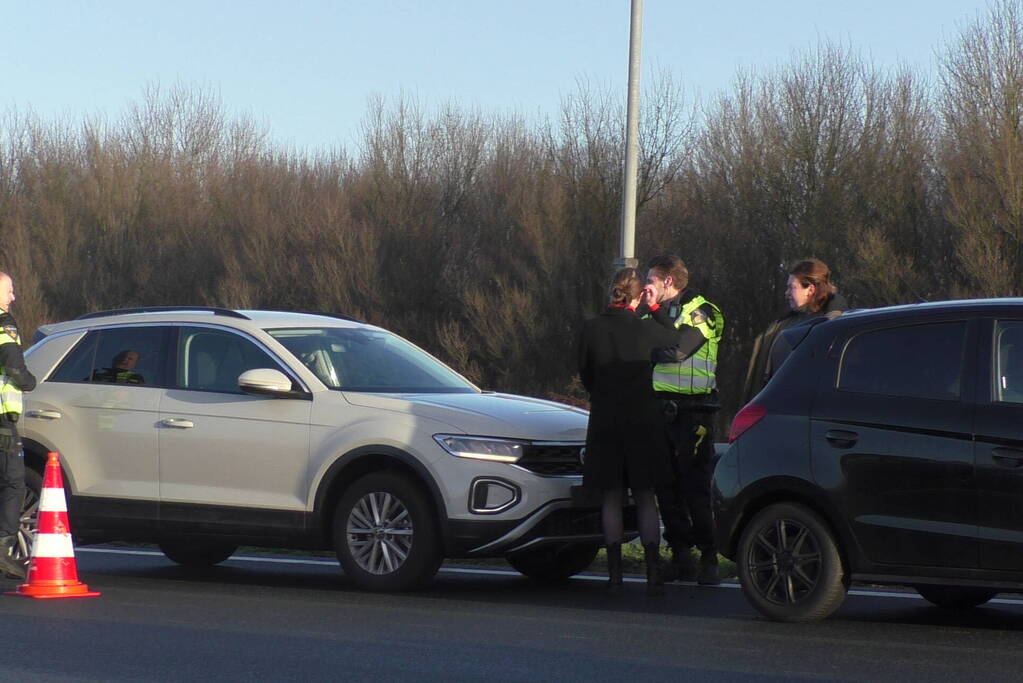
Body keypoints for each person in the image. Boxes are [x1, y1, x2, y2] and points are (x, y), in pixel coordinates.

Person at [578, 267, 704, 595]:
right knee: (647, 496)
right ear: (638, 294)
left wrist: (602, 395)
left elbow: (585, 374)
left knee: (611, 497)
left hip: (606, 421)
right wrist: (656, 309)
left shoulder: (591, 328)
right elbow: (676, 339)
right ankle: (651, 570)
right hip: (643, 421)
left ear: (612, 292)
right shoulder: (646, 329)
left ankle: (615, 573)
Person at [642, 254, 724, 585]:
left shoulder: (703, 311)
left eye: (651, 279)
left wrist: (641, 349)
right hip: (660, 409)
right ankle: (681, 556)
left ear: (668, 282)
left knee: (695, 488)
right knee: (666, 487)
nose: (647, 285)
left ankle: (709, 558)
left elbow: (678, 351)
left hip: (694, 411)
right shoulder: (654, 313)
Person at [740, 258, 847, 407]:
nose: (787, 293)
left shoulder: (828, 328)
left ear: (810, 289)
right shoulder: (787, 322)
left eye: (792, 287)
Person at [0, 272, 36, 580]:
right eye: (9, 291)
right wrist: (27, 382)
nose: (13, 297)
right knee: (13, 482)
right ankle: (3, 548)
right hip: (1, 419)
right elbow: (13, 365)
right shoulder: (4, 325)